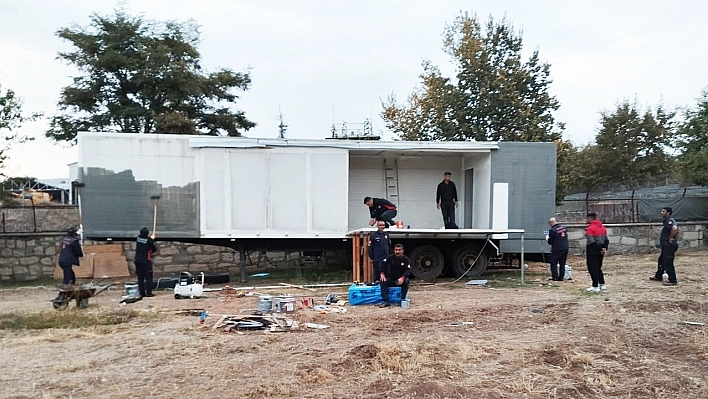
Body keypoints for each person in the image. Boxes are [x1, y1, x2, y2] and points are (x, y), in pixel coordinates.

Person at [650, 207, 679, 285]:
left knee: (668, 262)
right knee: (661, 260)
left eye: (663, 211)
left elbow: (675, 228)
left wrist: (670, 238)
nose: (661, 212)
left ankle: (673, 280)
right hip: (666, 245)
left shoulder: (669, 220)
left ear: (668, 213)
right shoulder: (667, 221)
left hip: (669, 245)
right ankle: (658, 276)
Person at [585, 212, 609, 292]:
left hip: (592, 250)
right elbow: (606, 239)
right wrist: (604, 248)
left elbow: (591, 241)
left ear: (590, 218)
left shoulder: (590, 228)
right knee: (598, 267)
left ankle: (595, 285)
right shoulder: (602, 227)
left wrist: (599, 249)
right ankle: (602, 284)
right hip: (601, 251)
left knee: (592, 268)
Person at [135, 227, 158, 298]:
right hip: (146, 261)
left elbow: (145, 240)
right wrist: (152, 239)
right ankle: (149, 292)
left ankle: (142, 293)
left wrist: (151, 239)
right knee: (148, 277)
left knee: (140, 278)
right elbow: (154, 249)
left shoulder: (138, 238)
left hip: (138, 261)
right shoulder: (149, 240)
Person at [546, 217, 569, 281]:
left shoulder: (552, 230)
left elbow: (550, 241)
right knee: (562, 263)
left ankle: (555, 276)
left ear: (550, 223)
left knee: (553, 262)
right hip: (565, 247)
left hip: (557, 249)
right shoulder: (563, 227)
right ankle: (561, 276)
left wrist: (547, 238)